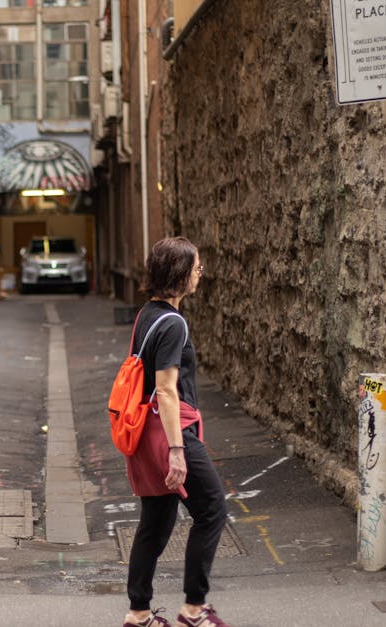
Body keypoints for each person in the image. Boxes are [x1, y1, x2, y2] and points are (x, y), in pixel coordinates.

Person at [123, 237, 229, 627]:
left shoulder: (146, 315)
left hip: (144, 433)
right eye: (197, 268)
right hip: (170, 432)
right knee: (212, 509)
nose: (201, 274)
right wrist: (176, 451)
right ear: (181, 274)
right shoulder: (173, 323)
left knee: (156, 520)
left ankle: (138, 613)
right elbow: (166, 389)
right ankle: (194, 608)